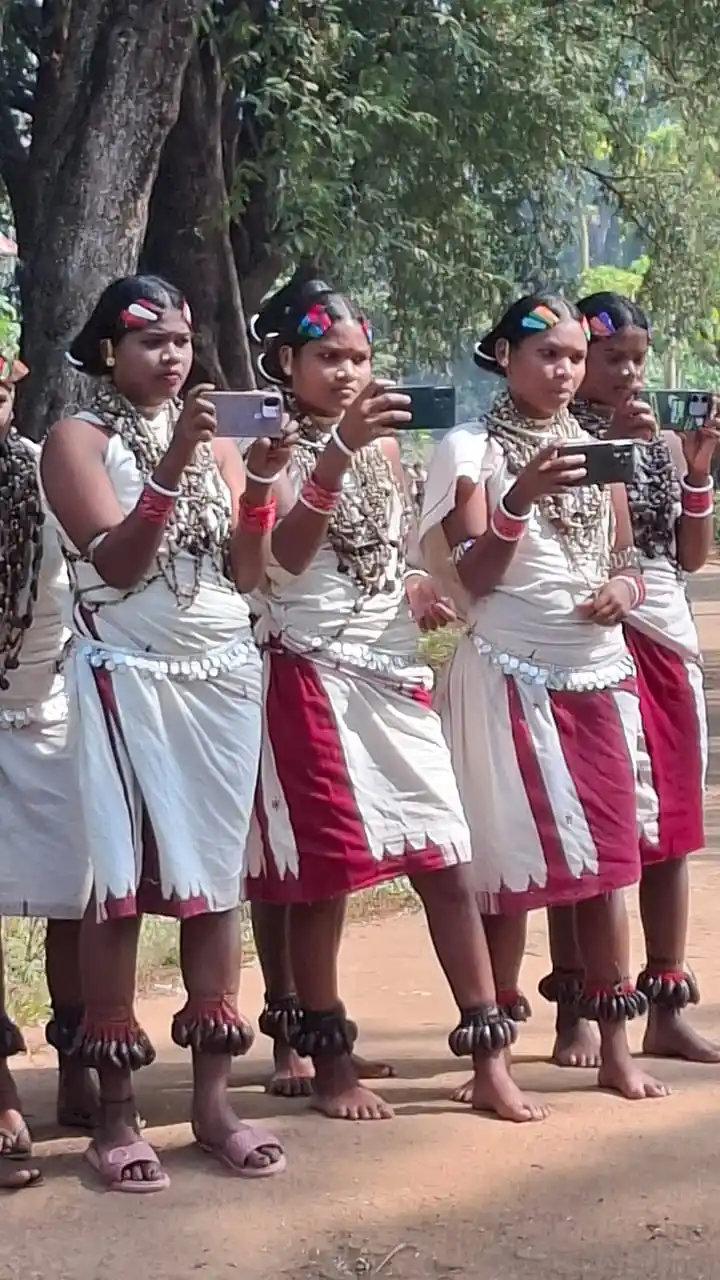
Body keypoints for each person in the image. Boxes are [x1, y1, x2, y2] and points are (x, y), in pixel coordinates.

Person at [244, 269, 547, 1124]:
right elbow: (284, 560)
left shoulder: (381, 448)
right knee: (329, 876)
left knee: (447, 860)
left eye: (359, 357)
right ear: (285, 362)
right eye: (327, 357)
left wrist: (416, 584)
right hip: (311, 671)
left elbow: (386, 552)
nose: (347, 372)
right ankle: (330, 1061)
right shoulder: (264, 448)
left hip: (390, 667)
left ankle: (489, 1058)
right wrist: (335, 451)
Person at [40, 275, 291, 1194]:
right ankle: (114, 1113)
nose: (173, 355)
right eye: (152, 340)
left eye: (182, 339)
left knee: (215, 883)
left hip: (220, 674)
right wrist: (177, 460)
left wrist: (257, 481)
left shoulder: (216, 439)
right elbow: (115, 561)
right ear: (110, 349)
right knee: (119, 885)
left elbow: (248, 571)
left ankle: (212, 1104)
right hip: (127, 675)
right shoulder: (76, 440)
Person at [420, 292, 668, 1101]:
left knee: (609, 866)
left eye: (573, 357)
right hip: (507, 673)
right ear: (504, 357)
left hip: (597, 675)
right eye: (547, 355)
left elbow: (625, 555)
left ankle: (616, 1045)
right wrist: (518, 498)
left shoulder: (595, 449)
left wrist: (626, 590)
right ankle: (491, 1059)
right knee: (506, 866)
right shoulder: (469, 449)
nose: (564, 371)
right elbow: (474, 576)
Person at [541, 292, 720, 1067]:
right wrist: (609, 445)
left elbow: (689, 557)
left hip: (662, 635)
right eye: (611, 358)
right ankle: (578, 1006)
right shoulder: (552, 437)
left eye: (636, 360)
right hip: (588, 633)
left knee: (671, 827)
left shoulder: (664, 442)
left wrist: (697, 471)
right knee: (590, 825)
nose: (628, 373)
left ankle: (666, 1004)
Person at [0, 350, 95, 1192]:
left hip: (50, 707)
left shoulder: (45, 468)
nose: (9, 374)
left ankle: (76, 1055)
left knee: (78, 895)